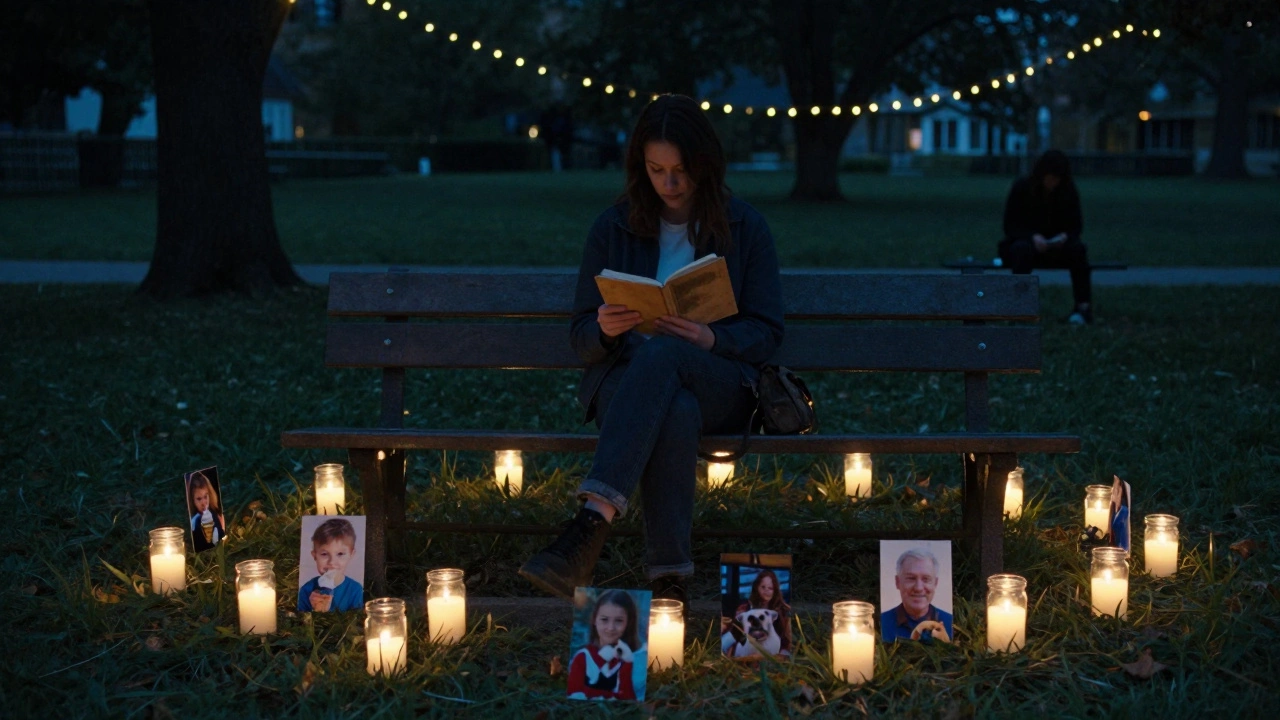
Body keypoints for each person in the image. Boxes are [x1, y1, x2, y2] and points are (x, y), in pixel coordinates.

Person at [517, 94, 785, 605]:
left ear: (705, 164)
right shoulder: (614, 226)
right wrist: (604, 328)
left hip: (720, 380)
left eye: (682, 170)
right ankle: (670, 581)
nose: (670, 184)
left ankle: (590, 523)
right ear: (641, 166)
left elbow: (768, 330)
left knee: (664, 356)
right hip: (629, 383)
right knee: (671, 402)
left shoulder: (745, 227)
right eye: (657, 169)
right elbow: (581, 338)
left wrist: (712, 337)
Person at [999, 149, 1093, 324]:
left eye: (1057, 179)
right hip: (1026, 245)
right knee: (1021, 250)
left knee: (1078, 250)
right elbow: (1010, 225)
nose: (1053, 183)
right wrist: (1032, 237)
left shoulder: (1068, 190)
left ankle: (1083, 307)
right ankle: (1020, 307)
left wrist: (1064, 236)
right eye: (1050, 178)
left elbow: (1076, 225)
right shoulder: (1022, 187)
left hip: (1057, 248)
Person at [567, 590, 640, 701]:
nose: (611, 628)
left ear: (628, 623)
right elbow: (573, 694)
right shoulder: (582, 658)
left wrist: (628, 663)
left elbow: (629, 701)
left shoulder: (635, 660)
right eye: (604, 619)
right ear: (594, 620)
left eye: (619, 621)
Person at [880, 547, 953, 643]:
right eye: (911, 578)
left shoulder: (952, 623)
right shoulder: (881, 623)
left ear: (935, 583)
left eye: (926, 579)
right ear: (898, 582)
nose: (918, 588)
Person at [721, 568, 793, 657]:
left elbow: (787, 639)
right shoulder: (745, 608)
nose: (766, 590)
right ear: (757, 587)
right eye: (763, 587)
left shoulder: (784, 610)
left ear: (775, 590)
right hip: (747, 648)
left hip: (776, 651)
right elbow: (735, 632)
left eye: (770, 588)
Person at [298, 518, 364, 612]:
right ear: (315, 556)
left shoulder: (356, 590)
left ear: (351, 555)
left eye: (340, 554)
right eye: (324, 554)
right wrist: (316, 610)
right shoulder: (306, 590)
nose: (332, 562)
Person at [186, 471, 225, 552]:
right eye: (199, 499)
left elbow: (221, 534)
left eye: (205, 496)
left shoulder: (214, 514)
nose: (204, 503)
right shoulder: (194, 522)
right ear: (192, 500)